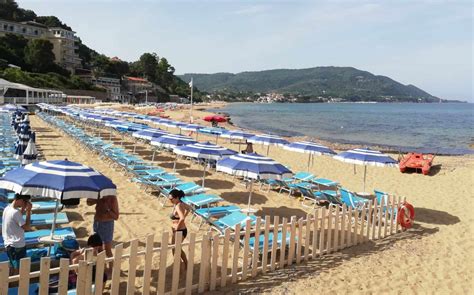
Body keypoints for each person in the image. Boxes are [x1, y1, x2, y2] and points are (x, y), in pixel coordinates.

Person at [1, 194, 32, 274]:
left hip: (9, 243)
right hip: (17, 245)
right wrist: (28, 212)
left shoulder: (7, 208)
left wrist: (23, 209)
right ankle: (16, 285)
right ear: (20, 200)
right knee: (18, 270)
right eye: (25, 201)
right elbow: (27, 227)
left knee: (12, 266)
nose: (26, 203)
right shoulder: (15, 212)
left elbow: (16, 218)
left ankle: (10, 285)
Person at [168, 189, 189, 270]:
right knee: (177, 248)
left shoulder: (177, 206)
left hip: (179, 231)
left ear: (176, 198)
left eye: (171, 199)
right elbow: (189, 209)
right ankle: (186, 264)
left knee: (175, 249)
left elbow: (182, 218)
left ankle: (179, 267)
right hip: (182, 230)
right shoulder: (180, 203)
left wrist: (177, 228)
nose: (170, 200)